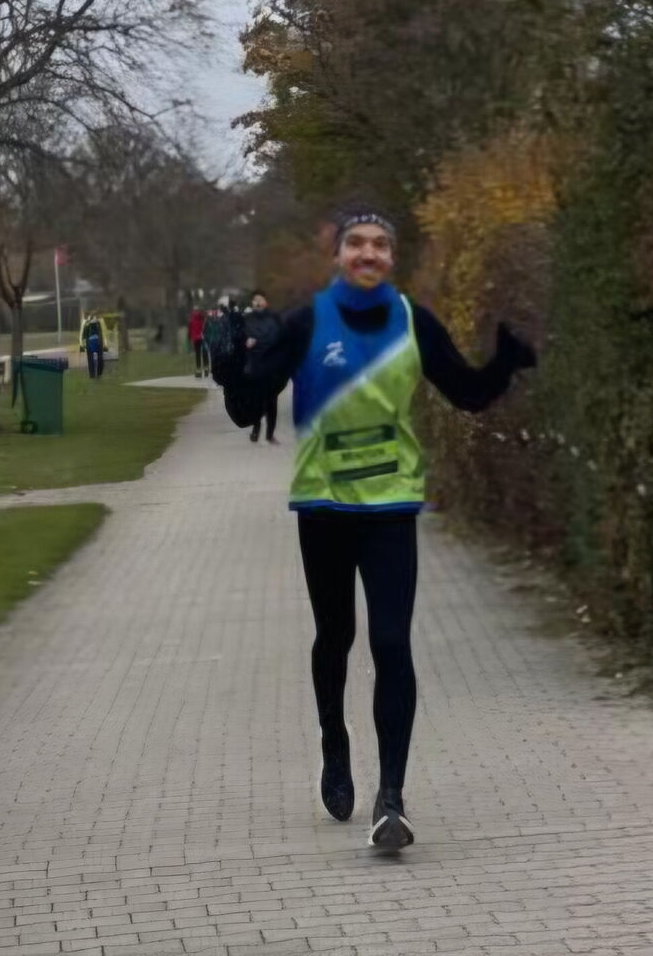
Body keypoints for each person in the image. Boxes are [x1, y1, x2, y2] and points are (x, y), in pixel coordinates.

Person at [230, 207, 537, 850]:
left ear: (392, 257)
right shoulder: (306, 322)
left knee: (392, 643)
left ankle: (390, 797)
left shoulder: (411, 320)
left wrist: (505, 363)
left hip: (391, 505)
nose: (367, 253)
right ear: (338, 255)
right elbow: (244, 406)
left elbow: (467, 393)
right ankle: (333, 742)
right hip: (324, 506)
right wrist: (231, 362)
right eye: (356, 244)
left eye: (379, 244)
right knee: (335, 635)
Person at [244, 292, 283, 443]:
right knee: (256, 400)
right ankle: (256, 428)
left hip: (270, 365)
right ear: (252, 303)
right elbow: (241, 337)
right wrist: (245, 343)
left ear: (265, 302)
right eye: (255, 300)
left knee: (271, 400)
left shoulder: (272, 319)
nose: (258, 302)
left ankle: (270, 434)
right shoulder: (247, 319)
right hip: (254, 365)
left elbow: (276, 338)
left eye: (260, 299)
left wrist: (257, 342)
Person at [79, 312, 107, 378]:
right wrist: (81, 344)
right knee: (92, 359)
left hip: (97, 342)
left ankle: (98, 374)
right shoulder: (85, 322)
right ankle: (93, 375)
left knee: (99, 359)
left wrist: (105, 343)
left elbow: (103, 332)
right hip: (91, 342)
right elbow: (82, 334)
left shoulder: (99, 321)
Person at [189, 306, 208, 378]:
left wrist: (190, 337)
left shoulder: (192, 319)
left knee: (198, 355)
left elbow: (190, 330)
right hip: (202, 338)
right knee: (204, 353)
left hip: (195, 339)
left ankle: (199, 372)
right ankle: (206, 370)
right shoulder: (202, 318)